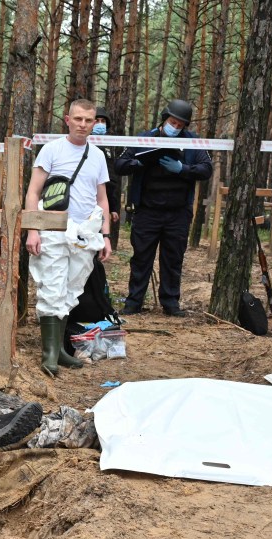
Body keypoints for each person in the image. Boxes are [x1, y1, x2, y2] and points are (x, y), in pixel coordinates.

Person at [25, 99, 112, 376]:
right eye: (78, 119)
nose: (83, 125)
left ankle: (60, 350)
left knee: (71, 290)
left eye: (89, 120)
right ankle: (49, 353)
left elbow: (102, 198)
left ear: (94, 122)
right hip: (52, 229)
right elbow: (33, 192)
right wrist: (32, 229)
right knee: (51, 287)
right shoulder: (51, 150)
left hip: (85, 233)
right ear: (67, 119)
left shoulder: (97, 156)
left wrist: (106, 235)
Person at [114, 99, 213, 317]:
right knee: (141, 258)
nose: (175, 128)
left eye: (180, 125)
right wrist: (138, 163)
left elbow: (206, 168)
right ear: (164, 118)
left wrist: (183, 169)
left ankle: (170, 303)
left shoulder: (193, 142)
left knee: (173, 259)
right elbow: (120, 164)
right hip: (147, 211)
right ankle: (134, 302)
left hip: (178, 213)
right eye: (172, 122)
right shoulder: (143, 138)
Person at [92, 106, 122, 251]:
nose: (99, 123)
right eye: (96, 120)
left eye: (102, 121)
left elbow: (111, 179)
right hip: (82, 201)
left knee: (98, 243)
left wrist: (113, 207)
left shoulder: (108, 146)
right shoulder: (79, 142)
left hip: (102, 202)